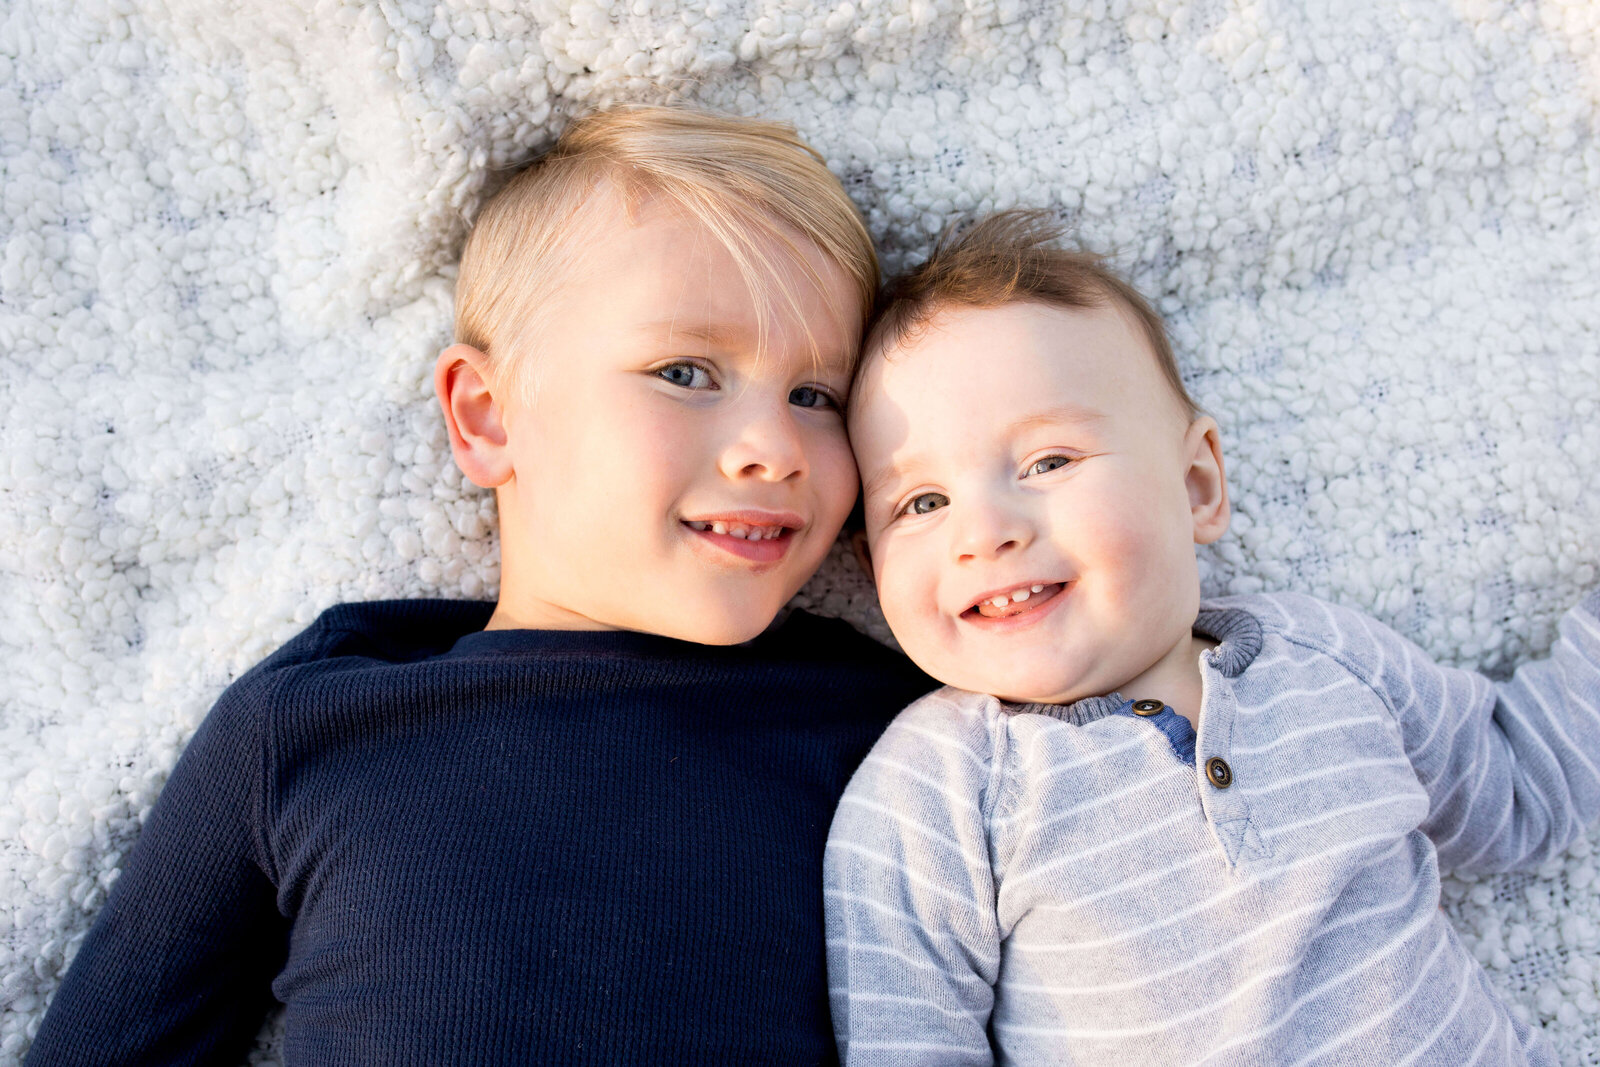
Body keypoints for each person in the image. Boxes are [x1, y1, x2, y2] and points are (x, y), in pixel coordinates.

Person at [26, 106, 932, 1066]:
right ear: (488, 416)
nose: (774, 450)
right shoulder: (307, 730)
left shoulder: (902, 728)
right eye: (685, 371)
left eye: (816, 396)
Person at [824, 209, 1598, 1065]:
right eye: (921, 504)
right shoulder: (936, 794)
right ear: (869, 563)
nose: (984, 531)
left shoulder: (1328, 659)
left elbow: (1526, 784)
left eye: (1047, 463)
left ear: (1196, 485)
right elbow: (908, 1045)